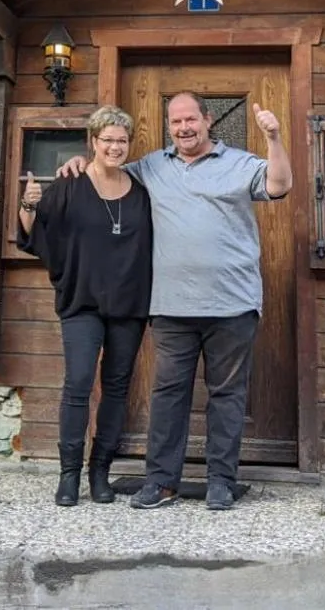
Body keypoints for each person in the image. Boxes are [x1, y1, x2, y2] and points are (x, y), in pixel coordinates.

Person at [58, 91, 291, 511]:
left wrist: (274, 138)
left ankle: (221, 482)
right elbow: (107, 171)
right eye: (176, 121)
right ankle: (161, 483)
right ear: (169, 126)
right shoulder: (151, 166)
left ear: (208, 120)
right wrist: (77, 162)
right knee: (167, 396)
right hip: (170, 307)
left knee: (227, 395)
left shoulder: (239, 163)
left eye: (190, 119)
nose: (184, 128)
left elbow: (279, 185)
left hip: (232, 305)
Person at [17, 105, 153, 507]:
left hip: (129, 304)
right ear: (93, 142)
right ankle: (69, 475)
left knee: (116, 388)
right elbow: (36, 234)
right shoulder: (70, 184)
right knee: (78, 383)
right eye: (107, 140)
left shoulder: (141, 191)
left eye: (121, 141)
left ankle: (100, 473)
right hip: (81, 301)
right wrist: (28, 205)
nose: (115, 147)